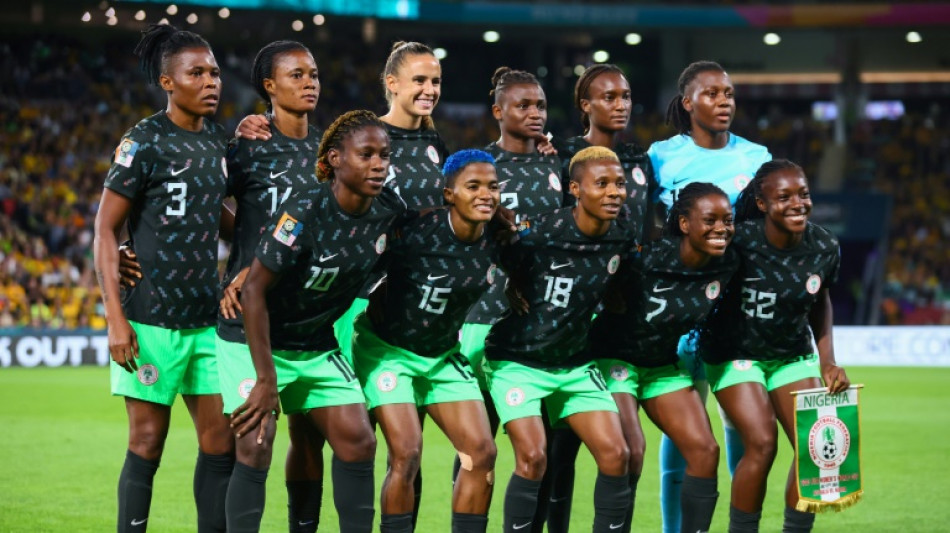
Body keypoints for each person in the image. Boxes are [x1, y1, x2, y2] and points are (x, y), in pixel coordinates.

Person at [224, 110, 405, 532]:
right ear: (336, 159)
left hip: (316, 343)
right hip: (254, 339)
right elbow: (252, 292)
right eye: (366, 155)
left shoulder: (388, 211)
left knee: (359, 442)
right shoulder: (304, 209)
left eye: (384, 155)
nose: (379, 164)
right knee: (257, 443)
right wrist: (266, 380)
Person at [94, 23, 233, 532]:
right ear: (167, 81)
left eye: (215, 72)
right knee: (147, 442)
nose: (211, 81)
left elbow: (224, 219)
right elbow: (104, 230)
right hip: (150, 319)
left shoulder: (220, 142)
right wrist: (114, 318)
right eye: (196, 72)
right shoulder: (144, 140)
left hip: (207, 320)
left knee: (221, 443)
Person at [647, 60, 772, 533]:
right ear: (687, 102)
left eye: (729, 94)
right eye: (713, 93)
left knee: (743, 424)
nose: (724, 102)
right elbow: (651, 231)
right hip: (680, 309)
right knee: (685, 428)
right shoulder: (660, 157)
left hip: (738, 311)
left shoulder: (757, 157)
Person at [486, 146, 635, 533]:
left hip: (574, 364)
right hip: (517, 360)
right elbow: (499, 248)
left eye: (619, 183)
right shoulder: (541, 231)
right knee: (534, 457)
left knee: (617, 454)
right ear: (575, 189)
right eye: (601, 183)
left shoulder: (621, 236)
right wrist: (511, 285)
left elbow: (624, 284)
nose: (614, 191)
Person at [351, 149, 501, 533]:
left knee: (482, 454)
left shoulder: (501, 239)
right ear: (449, 194)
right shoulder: (414, 233)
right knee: (406, 453)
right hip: (388, 352)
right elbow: (360, 261)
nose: (486, 194)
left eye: (493, 186)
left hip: (441, 354)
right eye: (473, 186)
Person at [697, 159, 850, 533]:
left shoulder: (824, 245)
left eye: (803, 194)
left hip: (791, 354)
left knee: (818, 447)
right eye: (784, 197)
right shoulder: (739, 242)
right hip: (735, 355)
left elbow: (821, 302)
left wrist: (827, 361)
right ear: (762, 204)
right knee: (763, 443)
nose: (797, 203)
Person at [216, 40, 326, 533]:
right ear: (269, 86)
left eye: (314, 74)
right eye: (297, 75)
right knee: (255, 441)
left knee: (312, 438)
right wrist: (250, 257)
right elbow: (201, 197)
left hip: (311, 316)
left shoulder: (332, 153)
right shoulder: (245, 149)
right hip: (247, 314)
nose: (309, 82)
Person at [588, 182, 740, 533]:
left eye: (727, 220)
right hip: (613, 359)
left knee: (705, 450)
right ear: (685, 224)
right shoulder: (646, 257)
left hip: (661, 365)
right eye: (710, 219)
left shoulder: (728, 261)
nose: (721, 228)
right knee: (631, 450)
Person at [543, 63, 653, 532]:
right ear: (585, 105)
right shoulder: (561, 156)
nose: (621, 104)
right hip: (572, 317)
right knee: (558, 448)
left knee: (627, 450)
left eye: (626, 96)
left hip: (624, 315)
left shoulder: (641, 160)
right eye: (609, 97)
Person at [460, 66, 564, 417]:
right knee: (478, 434)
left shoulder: (557, 167)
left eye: (540, 106)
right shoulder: (480, 168)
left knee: (549, 440)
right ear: (498, 112)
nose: (535, 113)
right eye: (524, 106)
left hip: (545, 317)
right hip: (487, 313)